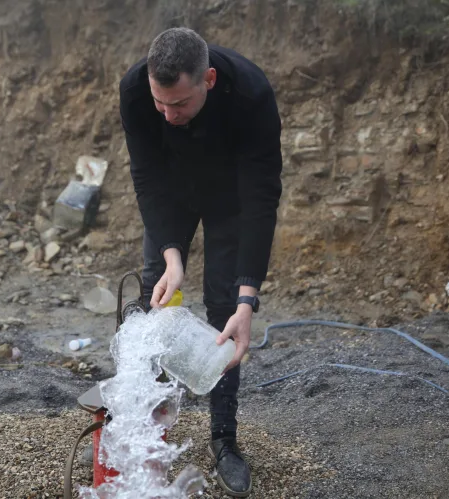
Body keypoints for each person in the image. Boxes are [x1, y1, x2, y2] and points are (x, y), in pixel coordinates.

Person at [119, 27, 282, 496]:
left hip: (231, 202)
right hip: (171, 196)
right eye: (160, 104)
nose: (169, 116)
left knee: (224, 309)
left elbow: (261, 200)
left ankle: (224, 440)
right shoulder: (135, 90)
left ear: (208, 79)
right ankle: (146, 432)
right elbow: (145, 176)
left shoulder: (251, 95)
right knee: (158, 297)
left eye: (181, 105)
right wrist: (173, 256)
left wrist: (247, 299)